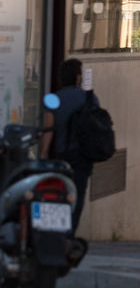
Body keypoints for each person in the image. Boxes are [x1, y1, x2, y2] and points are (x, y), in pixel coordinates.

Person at [40, 58, 93, 233]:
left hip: (62, 155)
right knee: (77, 195)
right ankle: (70, 232)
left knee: (57, 193)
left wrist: (43, 154)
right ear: (78, 77)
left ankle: (56, 231)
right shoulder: (89, 98)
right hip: (83, 156)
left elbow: (49, 130)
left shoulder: (54, 99)